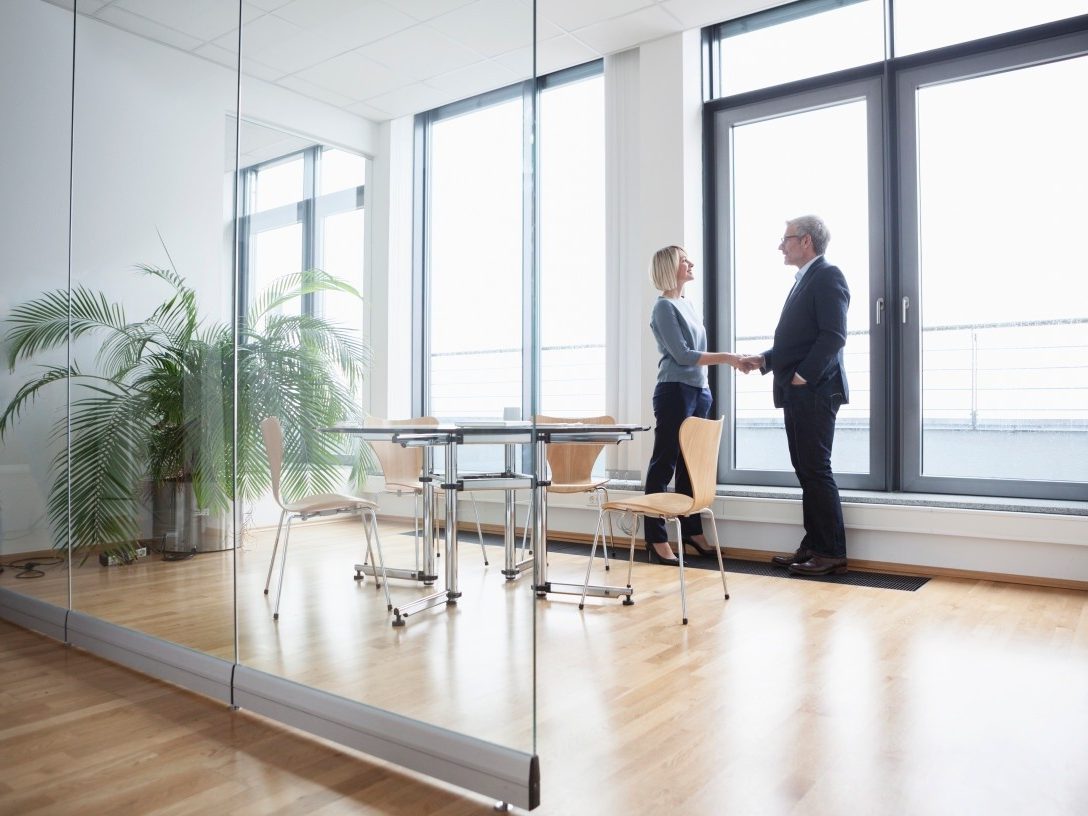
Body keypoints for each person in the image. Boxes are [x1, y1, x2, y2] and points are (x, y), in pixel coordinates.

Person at [739, 215, 850, 576]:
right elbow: (798, 338)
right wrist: (766, 359)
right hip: (800, 389)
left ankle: (830, 552)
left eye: (785, 239)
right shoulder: (805, 280)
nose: (780, 246)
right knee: (806, 470)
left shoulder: (828, 276)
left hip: (815, 390)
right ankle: (813, 545)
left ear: (806, 241)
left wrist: (803, 376)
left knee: (816, 470)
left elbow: (833, 336)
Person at [644, 245, 744, 565]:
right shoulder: (664, 308)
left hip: (700, 390)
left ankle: (691, 531)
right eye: (684, 260)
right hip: (675, 390)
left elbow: (695, 356)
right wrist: (728, 358)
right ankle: (656, 538)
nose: (690, 263)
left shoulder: (687, 304)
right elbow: (684, 355)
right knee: (665, 462)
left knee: (692, 465)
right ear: (670, 267)